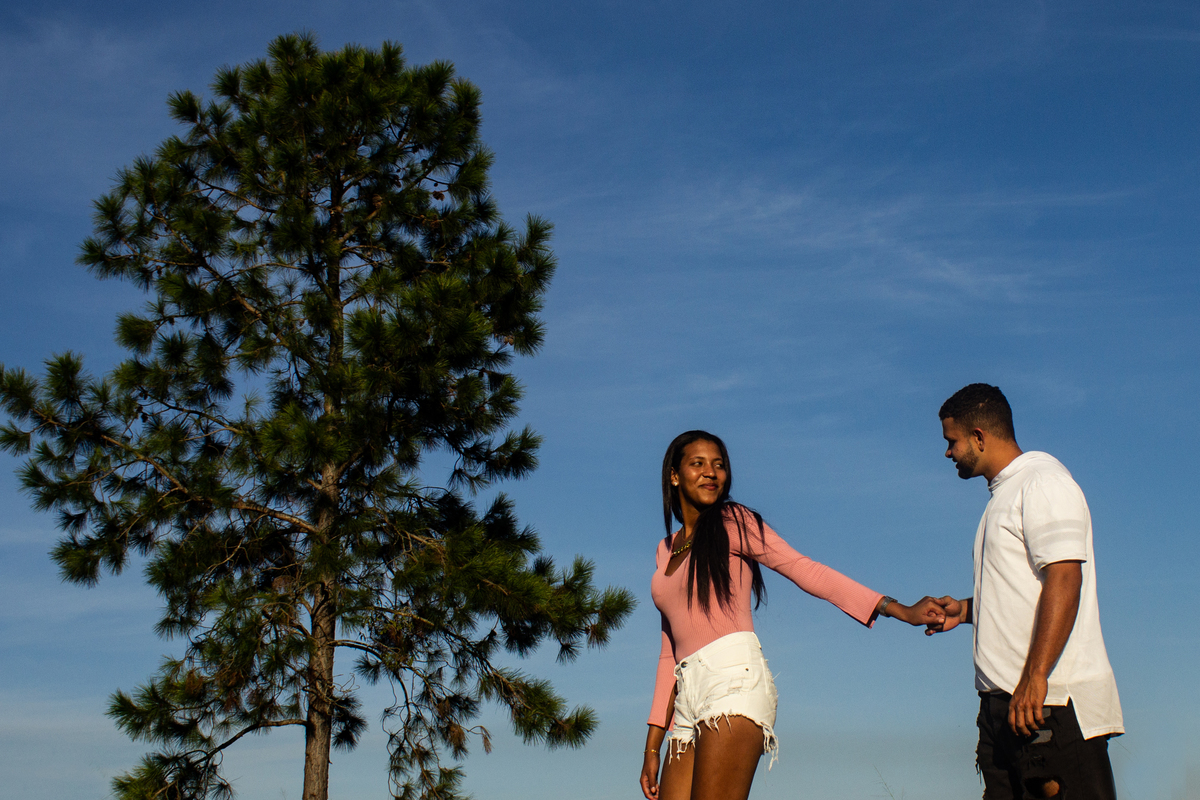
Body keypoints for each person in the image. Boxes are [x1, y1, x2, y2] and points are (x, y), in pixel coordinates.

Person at [640, 430, 943, 800]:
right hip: (687, 695)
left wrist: (898, 609)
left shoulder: (734, 521)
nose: (711, 473)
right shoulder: (664, 551)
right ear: (674, 475)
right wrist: (653, 744)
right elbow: (669, 653)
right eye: (697, 464)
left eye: (718, 465)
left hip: (732, 681)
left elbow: (805, 569)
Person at [927, 384, 1123, 800]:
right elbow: (1022, 591)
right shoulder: (1004, 495)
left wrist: (1036, 677)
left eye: (952, 441)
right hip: (1005, 708)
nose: (948, 453)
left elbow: (1065, 578)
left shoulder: (1043, 482)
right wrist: (964, 610)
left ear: (979, 436)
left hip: (1051, 703)